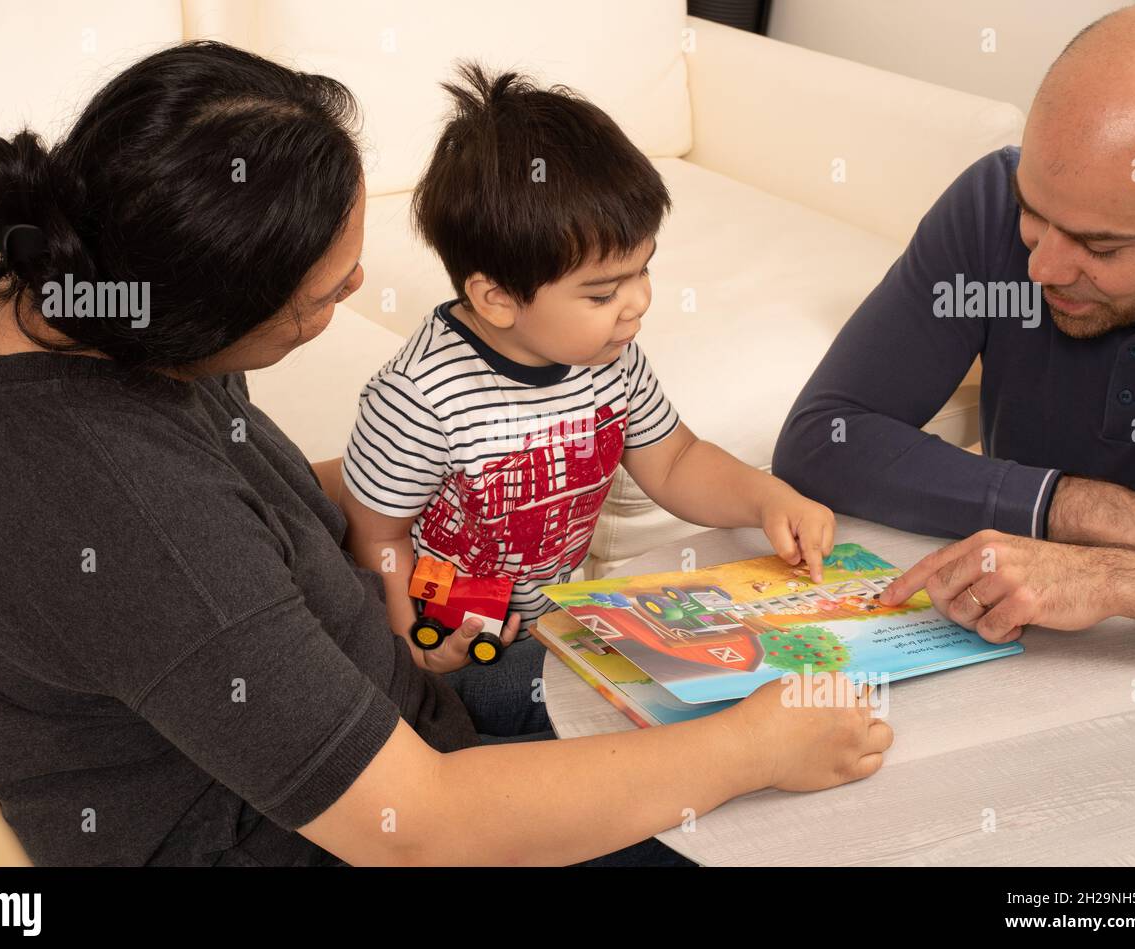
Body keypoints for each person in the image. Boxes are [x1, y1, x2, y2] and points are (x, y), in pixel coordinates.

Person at [0, 41, 892, 867]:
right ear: (208, 313)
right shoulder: (130, 513)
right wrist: (744, 748)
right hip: (338, 822)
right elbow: (413, 824)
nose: (360, 286)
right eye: (326, 296)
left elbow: (250, 509)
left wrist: (418, 520)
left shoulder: (74, 284)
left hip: (387, 705)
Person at [340, 64, 838, 671]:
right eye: (602, 294)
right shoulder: (419, 398)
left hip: (557, 624)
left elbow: (676, 461)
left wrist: (768, 499)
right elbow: (377, 536)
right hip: (457, 648)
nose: (638, 302)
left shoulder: (610, 358)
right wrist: (413, 658)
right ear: (496, 298)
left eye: (644, 270)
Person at [772, 5, 1135, 648]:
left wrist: (1130, 582)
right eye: (1033, 213)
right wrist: (1071, 507)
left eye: (1099, 248)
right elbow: (822, 440)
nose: (1042, 268)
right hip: (1015, 654)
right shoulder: (991, 201)